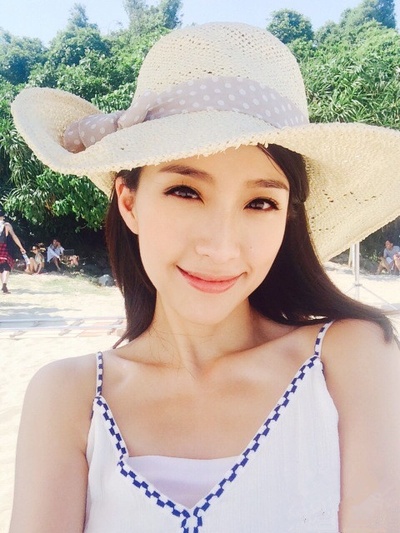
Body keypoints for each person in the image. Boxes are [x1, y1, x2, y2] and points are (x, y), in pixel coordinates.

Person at [9, 23, 400, 532]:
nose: (221, 247)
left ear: (287, 217)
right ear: (129, 201)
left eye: (260, 202)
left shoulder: (348, 358)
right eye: (185, 192)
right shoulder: (70, 396)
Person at [0, 207, 26, 294]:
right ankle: (4, 284)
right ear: (3, 216)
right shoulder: (6, 225)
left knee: (0, 268)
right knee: (6, 266)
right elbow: (14, 236)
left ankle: (3, 285)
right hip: (4, 247)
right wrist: (21, 247)